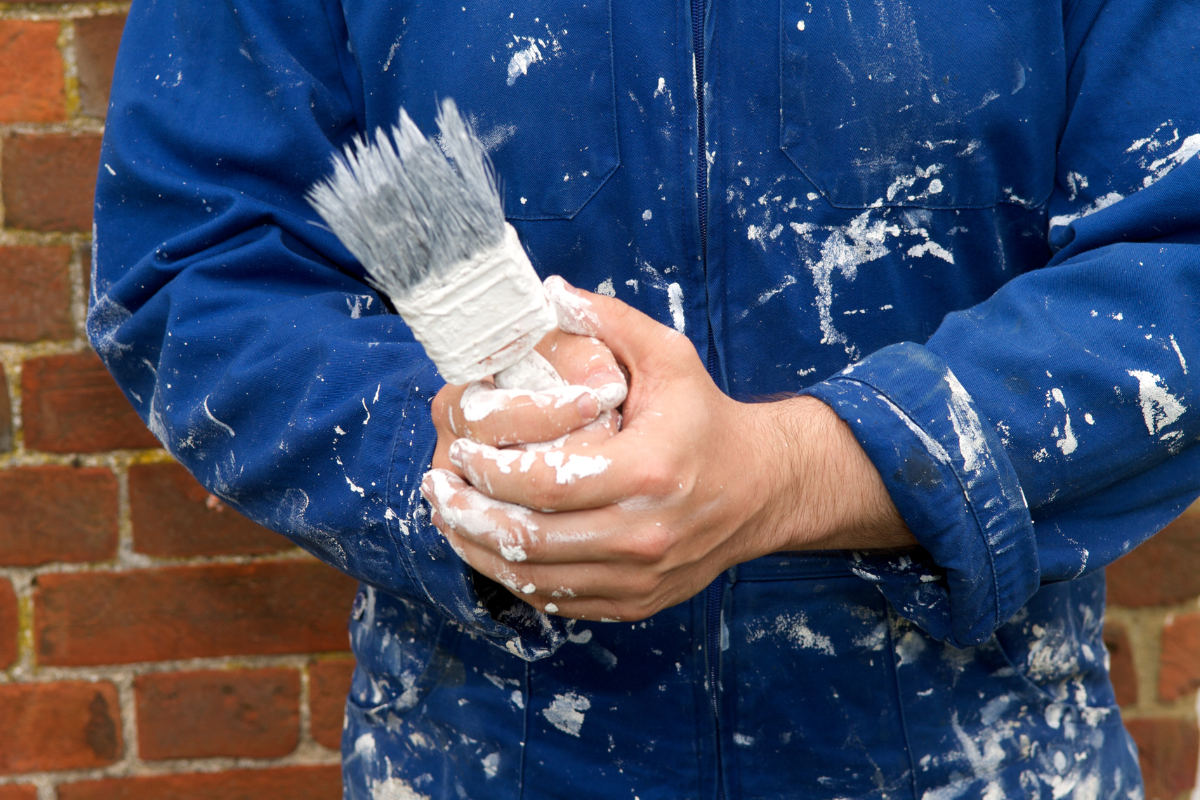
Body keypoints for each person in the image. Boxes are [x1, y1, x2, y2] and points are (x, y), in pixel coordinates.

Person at [91, 0, 1200, 797]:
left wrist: (798, 470)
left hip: (981, 753)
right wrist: (454, 455)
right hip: (485, 752)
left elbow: (1178, 267)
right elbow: (197, 257)